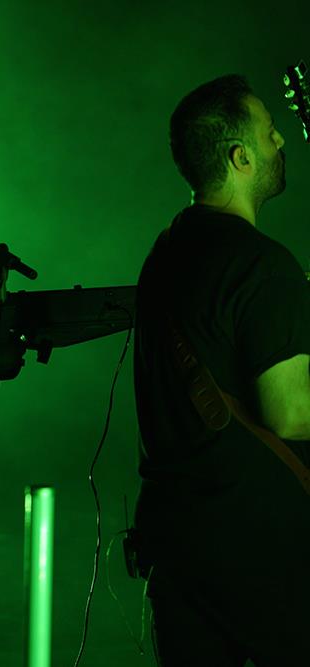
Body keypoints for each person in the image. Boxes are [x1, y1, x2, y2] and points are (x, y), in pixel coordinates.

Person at [133, 74, 310, 665]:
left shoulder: (164, 252)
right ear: (240, 158)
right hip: (261, 555)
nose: (281, 141)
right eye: (270, 132)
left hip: (179, 549)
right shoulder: (264, 265)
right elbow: (291, 413)